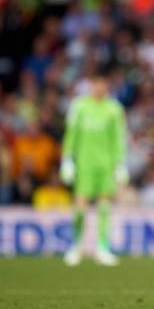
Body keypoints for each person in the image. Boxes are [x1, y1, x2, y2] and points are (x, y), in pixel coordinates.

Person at [60, 67, 128, 266]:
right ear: (91, 85)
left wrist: (120, 164)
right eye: (96, 83)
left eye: (102, 84)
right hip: (84, 164)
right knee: (80, 206)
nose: (99, 87)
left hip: (106, 165)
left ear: (107, 86)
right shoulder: (79, 107)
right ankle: (76, 246)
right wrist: (67, 160)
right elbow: (71, 134)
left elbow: (118, 138)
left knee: (105, 206)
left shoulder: (114, 109)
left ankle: (102, 247)